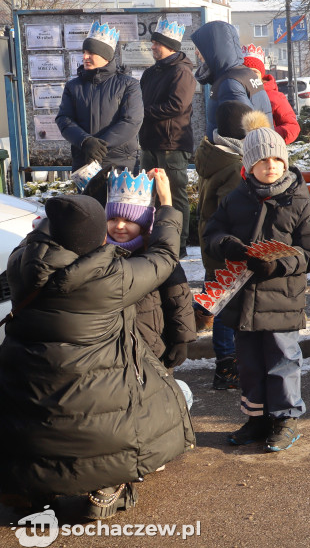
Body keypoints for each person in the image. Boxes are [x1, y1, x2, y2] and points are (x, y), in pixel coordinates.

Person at [0, 182, 194, 517]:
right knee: (153, 399)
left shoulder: (21, 262)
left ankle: (22, 487)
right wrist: (166, 205)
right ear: (96, 236)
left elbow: (47, 232)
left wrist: (64, 211)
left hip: (25, 387)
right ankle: (106, 487)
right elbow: (163, 255)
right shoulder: (110, 279)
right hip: (94, 398)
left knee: (33, 418)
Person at [204, 125, 310, 451]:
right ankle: (256, 418)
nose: (270, 165)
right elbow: (210, 233)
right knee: (249, 361)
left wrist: (279, 264)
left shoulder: (299, 203)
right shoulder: (235, 199)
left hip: (282, 300)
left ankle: (285, 419)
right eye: (262, 160)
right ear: (249, 166)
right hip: (243, 299)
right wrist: (225, 243)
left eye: (276, 159)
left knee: (282, 360)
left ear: (285, 163)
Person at [195, 103, 271, 389]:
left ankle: (227, 359)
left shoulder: (214, 154)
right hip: (229, 249)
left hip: (214, 245)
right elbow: (237, 212)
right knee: (226, 307)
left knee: (217, 299)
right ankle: (227, 366)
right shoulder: (233, 166)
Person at [104, 169, 196, 372]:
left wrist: (181, 339)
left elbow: (178, 297)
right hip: (111, 353)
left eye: (128, 221)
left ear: (144, 224)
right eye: (113, 219)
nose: (119, 226)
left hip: (152, 347)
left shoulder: (154, 255)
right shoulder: (101, 254)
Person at [140, 18, 196, 257]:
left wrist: (143, 113)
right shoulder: (151, 72)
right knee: (147, 194)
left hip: (172, 145)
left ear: (170, 46)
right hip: (149, 143)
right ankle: (151, 238)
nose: (152, 47)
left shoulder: (182, 72)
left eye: (157, 44)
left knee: (174, 193)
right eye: (152, 42)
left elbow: (177, 106)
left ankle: (179, 243)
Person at [57, 21, 143, 172]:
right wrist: (86, 142)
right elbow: (64, 119)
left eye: (91, 53)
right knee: (88, 197)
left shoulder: (128, 85)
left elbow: (131, 121)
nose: (85, 57)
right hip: (85, 162)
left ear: (105, 56)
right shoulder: (73, 86)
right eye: (84, 52)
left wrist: (99, 146)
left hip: (121, 163)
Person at [191, 20, 273, 135]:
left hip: (233, 152)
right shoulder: (244, 73)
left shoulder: (229, 83)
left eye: (201, 47)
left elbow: (238, 134)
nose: (196, 52)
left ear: (214, 48)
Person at [243, 44, 300, 144]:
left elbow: (292, 127)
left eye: (254, 72)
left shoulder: (275, 97)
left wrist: (267, 135)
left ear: (261, 75)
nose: (250, 76)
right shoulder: (237, 94)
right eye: (246, 72)